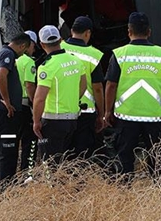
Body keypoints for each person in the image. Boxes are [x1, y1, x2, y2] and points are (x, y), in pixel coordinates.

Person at [103, 12, 161, 181]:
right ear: (149, 32)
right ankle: (158, 186)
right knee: (156, 155)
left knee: (125, 156)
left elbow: (111, 85)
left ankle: (125, 186)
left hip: (126, 115)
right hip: (154, 115)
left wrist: (107, 111)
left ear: (129, 31)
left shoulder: (120, 54)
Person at [0, 32, 34, 194]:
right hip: (6, 112)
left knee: (0, 148)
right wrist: (6, 100)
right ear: (22, 45)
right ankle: (5, 188)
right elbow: (0, 77)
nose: (23, 54)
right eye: (24, 50)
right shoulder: (8, 55)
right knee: (8, 149)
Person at [32, 25, 87, 166]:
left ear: (42, 44)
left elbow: (39, 98)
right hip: (73, 119)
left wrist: (36, 121)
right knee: (66, 161)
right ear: (61, 40)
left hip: (52, 121)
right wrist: (71, 99)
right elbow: (83, 86)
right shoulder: (76, 61)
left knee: (49, 163)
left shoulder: (47, 67)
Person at [61, 16, 106, 161]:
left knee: (64, 153)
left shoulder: (59, 48)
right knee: (83, 154)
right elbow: (97, 88)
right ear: (88, 33)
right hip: (85, 111)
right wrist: (101, 114)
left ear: (71, 31)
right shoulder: (94, 55)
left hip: (61, 109)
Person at [16, 30, 39, 171]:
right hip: (25, 105)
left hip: (14, 104)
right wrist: (35, 103)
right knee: (30, 141)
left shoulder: (14, 58)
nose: (34, 50)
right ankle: (27, 170)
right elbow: (29, 85)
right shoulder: (29, 62)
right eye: (33, 46)